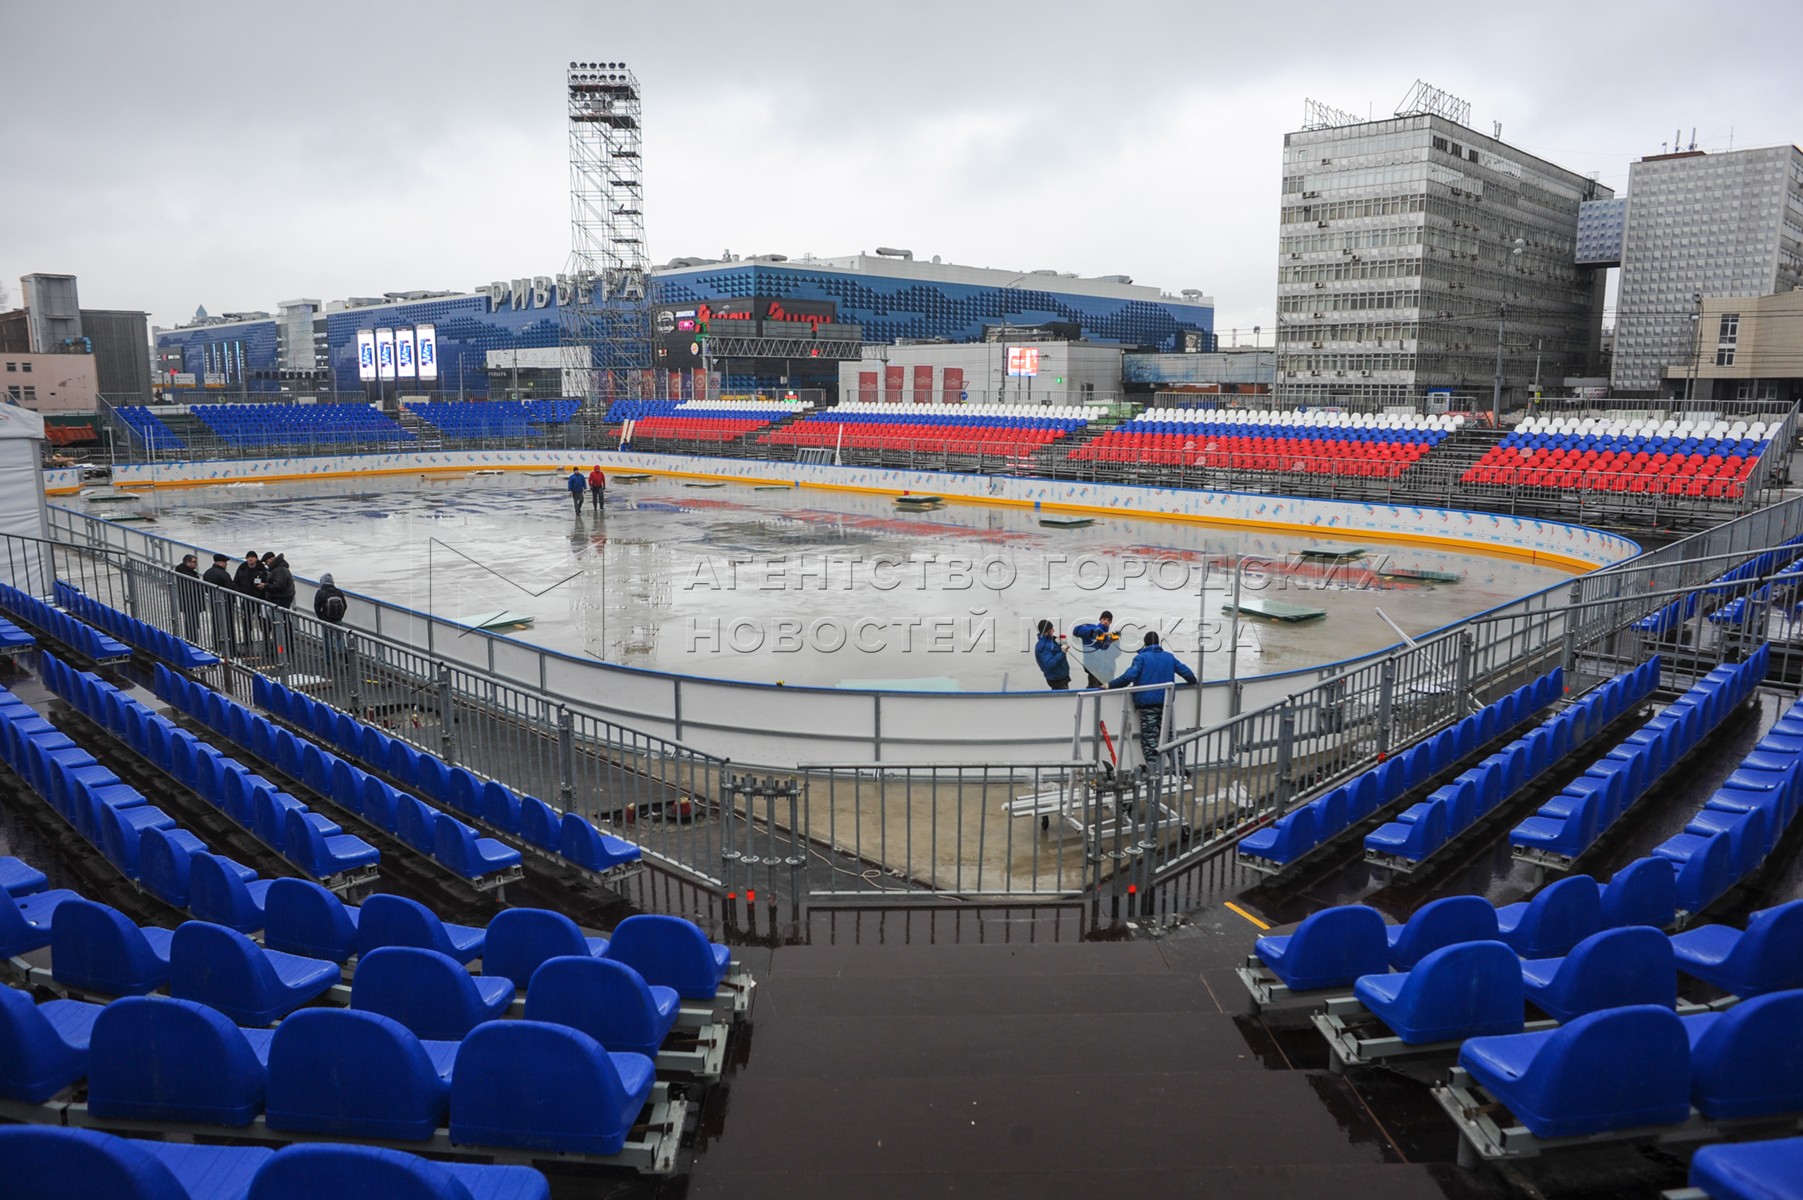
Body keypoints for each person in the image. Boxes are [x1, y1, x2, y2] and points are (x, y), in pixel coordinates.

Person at [1108, 631, 1198, 775]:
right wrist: (1193, 681)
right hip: (1165, 704)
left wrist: (1110, 685)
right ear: (1158, 643)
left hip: (1147, 705)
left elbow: (1129, 676)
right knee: (1170, 737)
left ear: (1146, 643)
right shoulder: (1169, 657)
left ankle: (1153, 772)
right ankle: (1179, 768)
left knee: (1149, 739)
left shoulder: (1141, 658)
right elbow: (1186, 673)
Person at [1072, 610, 1122, 689]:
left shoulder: (1110, 636)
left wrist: (1115, 641)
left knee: (1106, 691)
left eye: (1108, 620)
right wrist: (1093, 632)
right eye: (1104, 619)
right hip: (1093, 668)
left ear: (1110, 622)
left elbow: (1116, 654)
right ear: (1100, 619)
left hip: (1107, 670)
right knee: (1093, 689)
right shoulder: (1092, 628)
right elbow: (1075, 630)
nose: (1106, 621)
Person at [202, 552, 235, 653]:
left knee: (216, 623)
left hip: (213, 602)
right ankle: (231, 648)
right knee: (228, 625)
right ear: (221, 563)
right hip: (226, 602)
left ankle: (216, 646)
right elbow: (230, 588)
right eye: (225, 563)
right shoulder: (224, 574)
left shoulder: (207, 572)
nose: (226, 565)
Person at [234, 551, 267, 651]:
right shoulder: (242, 568)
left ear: (256, 559)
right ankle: (247, 638)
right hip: (247, 597)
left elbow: (267, 581)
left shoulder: (262, 569)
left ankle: (265, 638)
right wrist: (240, 591)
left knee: (262, 619)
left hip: (261, 598)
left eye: (252, 557)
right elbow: (236, 581)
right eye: (249, 557)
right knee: (246, 619)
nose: (250, 559)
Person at [314, 571, 349, 659]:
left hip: (326, 619)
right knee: (339, 637)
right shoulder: (338, 592)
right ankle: (343, 654)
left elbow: (317, 608)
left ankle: (329, 658)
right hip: (337, 619)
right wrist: (340, 616)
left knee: (327, 638)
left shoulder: (320, 592)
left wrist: (321, 618)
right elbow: (345, 606)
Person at [172, 554, 204, 643]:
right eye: (194, 562)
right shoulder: (186, 573)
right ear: (187, 562)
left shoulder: (185, 571)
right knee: (192, 623)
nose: (196, 564)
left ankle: (192, 641)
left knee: (192, 622)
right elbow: (193, 587)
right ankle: (192, 641)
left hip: (190, 601)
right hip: (191, 602)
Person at [1033, 620, 1071, 690]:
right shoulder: (1042, 647)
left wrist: (1062, 643)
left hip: (1061, 676)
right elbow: (1049, 664)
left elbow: (1056, 648)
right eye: (1052, 629)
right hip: (1057, 679)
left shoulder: (1051, 639)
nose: (1054, 630)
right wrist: (1062, 652)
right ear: (1046, 632)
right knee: (1061, 699)